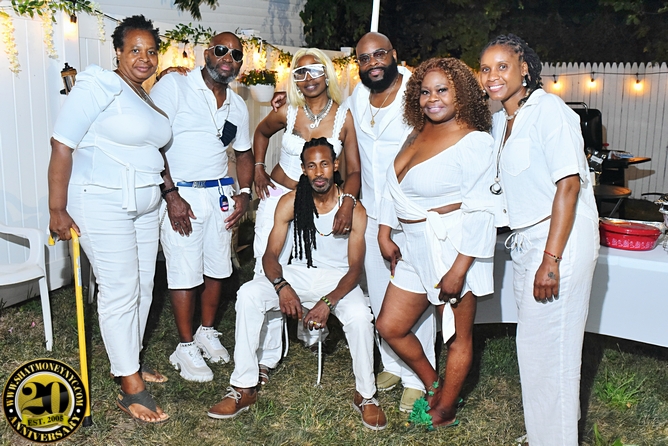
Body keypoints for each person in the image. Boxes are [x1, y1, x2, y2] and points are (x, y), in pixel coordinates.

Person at [208, 138, 386, 431]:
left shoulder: (353, 208)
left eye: (324, 164)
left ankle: (365, 395)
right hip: (295, 274)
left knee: (359, 316)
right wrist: (281, 286)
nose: (319, 172)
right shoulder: (290, 202)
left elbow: (355, 269)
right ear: (303, 169)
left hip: (338, 280)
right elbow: (270, 255)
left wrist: (327, 303)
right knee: (249, 294)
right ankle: (243, 387)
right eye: (311, 166)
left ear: (335, 165)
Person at [48, 15, 170, 423]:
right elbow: (61, 144)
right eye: (134, 50)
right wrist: (56, 208)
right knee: (120, 289)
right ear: (117, 51)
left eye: (151, 51)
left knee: (144, 287)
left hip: (145, 203)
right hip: (101, 200)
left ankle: (129, 360)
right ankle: (129, 385)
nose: (144, 58)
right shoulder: (98, 83)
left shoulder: (143, 96)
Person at [479, 34, 599, 445]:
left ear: (525, 68)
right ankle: (548, 433)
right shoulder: (501, 120)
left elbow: (568, 185)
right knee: (537, 348)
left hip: (560, 241)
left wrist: (551, 260)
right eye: (486, 68)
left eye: (502, 66)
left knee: (552, 351)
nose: (492, 76)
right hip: (527, 241)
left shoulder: (550, 111)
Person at [375, 57, 496, 430]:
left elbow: (481, 210)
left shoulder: (475, 141)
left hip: (451, 246)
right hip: (411, 246)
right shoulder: (416, 133)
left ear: (461, 94)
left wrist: (459, 269)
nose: (432, 99)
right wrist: (384, 231)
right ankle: (434, 384)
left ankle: (445, 409)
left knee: (457, 335)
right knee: (390, 325)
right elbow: (393, 188)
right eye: (425, 92)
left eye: (442, 90)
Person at [149, 32, 254, 383]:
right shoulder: (175, 86)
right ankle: (184, 346)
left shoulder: (237, 105)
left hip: (220, 195)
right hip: (183, 194)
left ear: (240, 64)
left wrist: (244, 193)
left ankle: (206, 331)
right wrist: (170, 194)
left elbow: (244, 154)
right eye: (221, 50)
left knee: (217, 268)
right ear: (206, 53)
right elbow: (153, 144)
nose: (228, 58)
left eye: (235, 54)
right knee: (184, 270)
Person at [252, 48, 361, 376]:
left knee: (309, 266)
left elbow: (354, 170)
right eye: (300, 73)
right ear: (294, 80)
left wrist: (347, 202)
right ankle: (266, 356)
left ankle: (312, 325)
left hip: (318, 204)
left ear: (327, 75)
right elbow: (261, 133)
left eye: (315, 70)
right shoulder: (287, 111)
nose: (308, 78)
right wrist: (259, 167)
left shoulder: (344, 117)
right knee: (266, 270)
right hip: (278, 196)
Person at [349, 32, 437, 411]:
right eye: (365, 58)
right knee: (380, 291)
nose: (373, 63)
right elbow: (333, 121)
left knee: (413, 298)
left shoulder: (416, 92)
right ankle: (392, 364)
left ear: (394, 55)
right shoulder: (357, 95)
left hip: (410, 215)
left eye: (379, 54)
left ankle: (418, 376)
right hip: (372, 213)